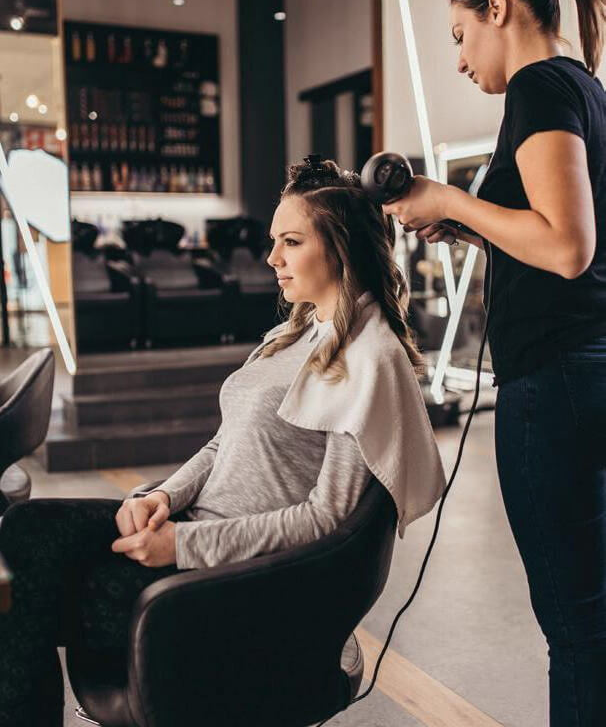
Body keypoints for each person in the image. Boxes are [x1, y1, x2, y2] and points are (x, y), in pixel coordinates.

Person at [0, 158, 445, 726]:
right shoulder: (291, 334)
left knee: (34, 594)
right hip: (192, 528)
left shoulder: (369, 357)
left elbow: (327, 520)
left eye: (291, 242)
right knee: (24, 528)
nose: (272, 258)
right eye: (273, 241)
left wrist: (182, 547)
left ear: (342, 250)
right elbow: (221, 445)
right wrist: (164, 496)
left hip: (233, 577)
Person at [382, 0, 606, 727]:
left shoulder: (538, 86)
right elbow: (556, 238)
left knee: (577, 631)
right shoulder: (587, 88)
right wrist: (469, 229)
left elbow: (568, 249)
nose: (458, 60)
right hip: (589, 369)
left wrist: (451, 200)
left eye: (459, 35)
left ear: (499, 9)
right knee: (595, 621)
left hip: (554, 384)